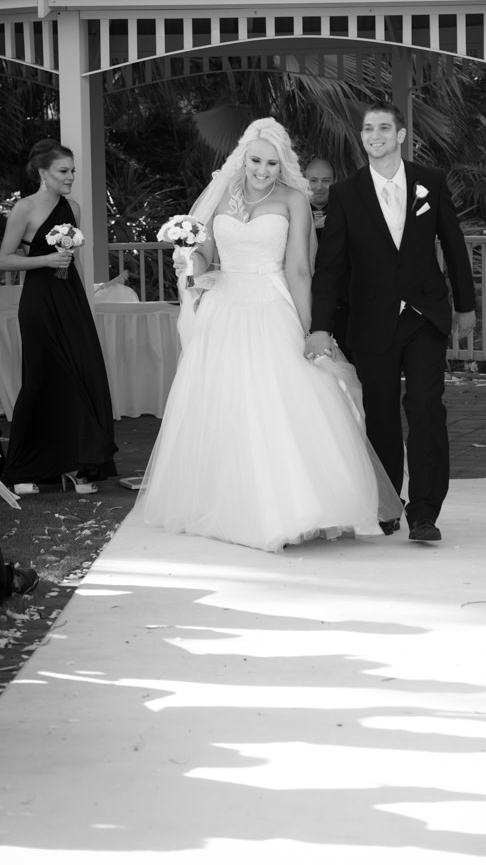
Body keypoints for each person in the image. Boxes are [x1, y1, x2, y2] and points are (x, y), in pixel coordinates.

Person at [134, 118, 402, 553]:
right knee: (225, 404)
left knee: (285, 403)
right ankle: (228, 503)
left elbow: (299, 269)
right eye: (256, 161)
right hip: (224, 306)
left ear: (283, 165)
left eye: (272, 163)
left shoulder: (294, 199)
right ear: (243, 158)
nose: (262, 170)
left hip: (273, 303)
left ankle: (301, 507)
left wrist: (312, 327)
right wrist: (189, 263)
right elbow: (206, 256)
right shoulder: (221, 194)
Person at [307, 101, 476, 542]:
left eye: (385, 128)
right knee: (379, 414)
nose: (376, 135)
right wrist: (320, 325)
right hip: (371, 318)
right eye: (368, 129)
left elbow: (453, 244)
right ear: (362, 138)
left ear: (401, 135)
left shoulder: (430, 182)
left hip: (424, 315)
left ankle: (424, 512)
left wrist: (466, 304)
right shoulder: (346, 192)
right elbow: (330, 266)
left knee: (424, 407)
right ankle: (387, 502)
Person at [0, 139, 117, 496]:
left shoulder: (74, 208)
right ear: (42, 172)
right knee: (43, 379)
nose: (71, 177)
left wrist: (84, 302)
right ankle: (24, 469)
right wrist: (45, 261)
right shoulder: (25, 208)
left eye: (73, 171)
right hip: (38, 302)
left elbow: (75, 260)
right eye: (63, 171)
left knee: (83, 376)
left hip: (70, 301)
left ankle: (78, 468)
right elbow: (4, 259)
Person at [305, 157, 353, 361]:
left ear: (335, 181)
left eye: (326, 180)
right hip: (304, 298)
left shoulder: (347, 210)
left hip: (341, 302)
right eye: (313, 180)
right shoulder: (291, 210)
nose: (319, 187)